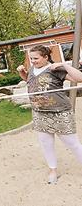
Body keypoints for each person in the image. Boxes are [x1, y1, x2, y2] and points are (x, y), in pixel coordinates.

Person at [17, 44, 82, 184]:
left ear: (46, 57)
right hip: (40, 113)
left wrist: (63, 65)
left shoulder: (55, 69)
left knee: (72, 143)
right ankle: (53, 170)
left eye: (36, 58)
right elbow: (32, 82)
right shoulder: (33, 69)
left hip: (60, 112)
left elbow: (79, 78)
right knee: (46, 143)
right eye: (31, 58)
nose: (32, 61)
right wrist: (23, 74)